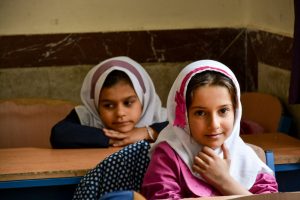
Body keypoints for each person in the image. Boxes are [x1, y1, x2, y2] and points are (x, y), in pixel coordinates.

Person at [141, 60, 278, 199]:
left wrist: (224, 180)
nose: (214, 124)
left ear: (235, 111)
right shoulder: (169, 156)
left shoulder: (246, 157)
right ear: (183, 115)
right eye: (200, 113)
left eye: (223, 110)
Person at [50, 56, 168, 148]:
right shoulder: (88, 117)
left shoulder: (161, 117)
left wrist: (148, 132)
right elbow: (59, 134)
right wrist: (116, 138)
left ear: (144, 99)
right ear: (96, 105)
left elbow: (184, 130)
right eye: (109, 105)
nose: (120, 113)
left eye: (128, 103)